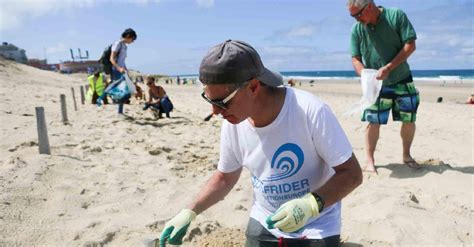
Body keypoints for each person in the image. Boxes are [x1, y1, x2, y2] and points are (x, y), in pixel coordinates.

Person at [158, 40, 362, 247]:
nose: (215, 113)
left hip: (317, 221)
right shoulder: (233, 121)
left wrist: (311, 204)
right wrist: (189, 212)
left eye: (221, 102)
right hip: (266, 219)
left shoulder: (310, 111)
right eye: (210, 102)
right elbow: (225, 178)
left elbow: (352, 173)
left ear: (253, 86)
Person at [348, 0, 420, 173]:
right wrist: (365, 74)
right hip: (375, 84)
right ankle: (370, 161)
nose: (356, 19)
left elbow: (410, 45)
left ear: (370, 6)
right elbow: (355, 58)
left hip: (402, 78)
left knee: (408, 120)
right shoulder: (357, 29)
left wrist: (389, 67)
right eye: (352, 16)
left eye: (358, 14)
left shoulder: (395, 16)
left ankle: (406, 155)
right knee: (373, 122)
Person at [108, 28, 137, 114]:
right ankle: (118, 108)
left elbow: (122, 60)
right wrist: (119, 68)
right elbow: (111, 59)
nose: (133, 41)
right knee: (122, 91)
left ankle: (120, 111)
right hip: (116, 70)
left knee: (124, 91)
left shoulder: (124, 46)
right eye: (133, 39)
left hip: (122, 71)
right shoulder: (117, 44)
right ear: (128, 36)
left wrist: (125, 69)